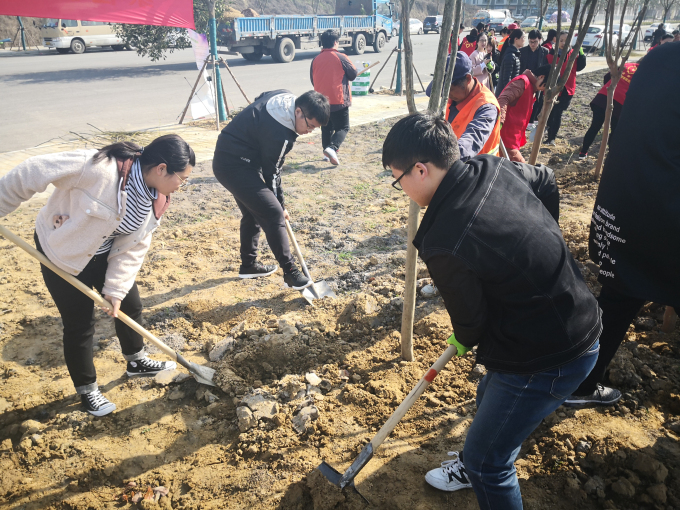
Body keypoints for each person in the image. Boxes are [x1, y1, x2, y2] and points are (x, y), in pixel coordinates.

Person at [382, 113, 601, 508]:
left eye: (398, 180)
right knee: (489, 391)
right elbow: (546, 179)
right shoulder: (491, 166)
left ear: (420, 170)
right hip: (576, 311)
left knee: (489, 462)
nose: (402, 190)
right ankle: (475, 462)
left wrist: (465, 337)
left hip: (550, 354)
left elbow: (472, 324)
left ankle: (479, 466)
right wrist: (542, 239)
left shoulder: (442, 238)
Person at [0, 136, 195, 416]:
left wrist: (115, 289)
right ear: (161, 169)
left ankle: (136, 361)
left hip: (104, 254)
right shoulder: (98, 168)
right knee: (79, 324)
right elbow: (33, 171)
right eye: (182, 179)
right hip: (64, 253)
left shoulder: (157, 200)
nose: (181, 186)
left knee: (129, 304)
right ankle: (87, 389)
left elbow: (133, 247)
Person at [564, 42, 680, 407]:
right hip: (665, 209)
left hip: (621, 201)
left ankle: (579, 384)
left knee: (619, 295)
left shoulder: (658, 58)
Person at [212, 90, 330, 289]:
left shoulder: (283, 96)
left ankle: (249, 265)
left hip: (233, 154)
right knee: (273, 212)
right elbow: (272, 173)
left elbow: (261, 96)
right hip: (232, 165)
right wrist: (280, 206)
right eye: (310, 125)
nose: (310, 131)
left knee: (254, 211)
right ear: (298, 111)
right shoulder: (281, 135)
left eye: (315, 128)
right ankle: (291, 272)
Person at [426, 52, 501, 160]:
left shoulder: (487, 106)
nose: (445, 95)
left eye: (448, 90)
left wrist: (442, 160)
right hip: (454, 164)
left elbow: (472, 140)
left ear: (468, 79)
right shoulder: (453, 97)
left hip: (479, 168)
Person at [310, 29, 358, 165]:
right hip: (338, 99)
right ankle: (332, 148)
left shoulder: (315, 60)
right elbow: (353, 74)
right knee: (343, 127)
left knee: (326, 127)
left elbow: (313, 79)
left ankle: (326, 153)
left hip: (320, 101)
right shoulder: (341, 57)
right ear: (336, 42)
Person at [579, 62, 638, 159]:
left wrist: (610, 89)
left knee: (594, 126)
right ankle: (610, 156)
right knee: (614, 131)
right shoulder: (643, 73)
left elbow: (607, 76)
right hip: (620, 103)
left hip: (603, 97)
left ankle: (583, 152)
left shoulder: (627, 64)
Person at [498, 65, 552, 162]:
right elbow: (503, 99)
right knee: (519, 166)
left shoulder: (531, 88)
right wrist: (500, 121)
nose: (544, 89)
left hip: (512, 137)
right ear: (541, 77)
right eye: (546, 85)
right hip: (505, 136)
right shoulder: (522, 83)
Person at [545, 32, 587, 144]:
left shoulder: (574, 54)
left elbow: (580, 67)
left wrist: (581, 53)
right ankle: (548, 135)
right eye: (561, 40)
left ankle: (552, 138)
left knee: (557, 113)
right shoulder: (551, 54)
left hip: (567, 89)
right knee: (550, 113)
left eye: (566, 41)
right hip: (552, 88)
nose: (564, 43)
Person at [519, 30, 549, 123]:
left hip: (538, 81)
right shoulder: (522, 51)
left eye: (535, 42)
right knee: (524, 101)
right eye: (530, 42)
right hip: (525, 80)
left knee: (537, 101)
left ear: (539, 40)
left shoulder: (545, 51)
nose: (532, 44)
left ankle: (531, 121)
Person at [495, 28, 525, 96]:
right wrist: (510, 95)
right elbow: (506, 79)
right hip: (505, 95)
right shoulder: (510, 56)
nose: (524, 40)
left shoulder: (514, 53)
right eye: (523, 38)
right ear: (516, 39)